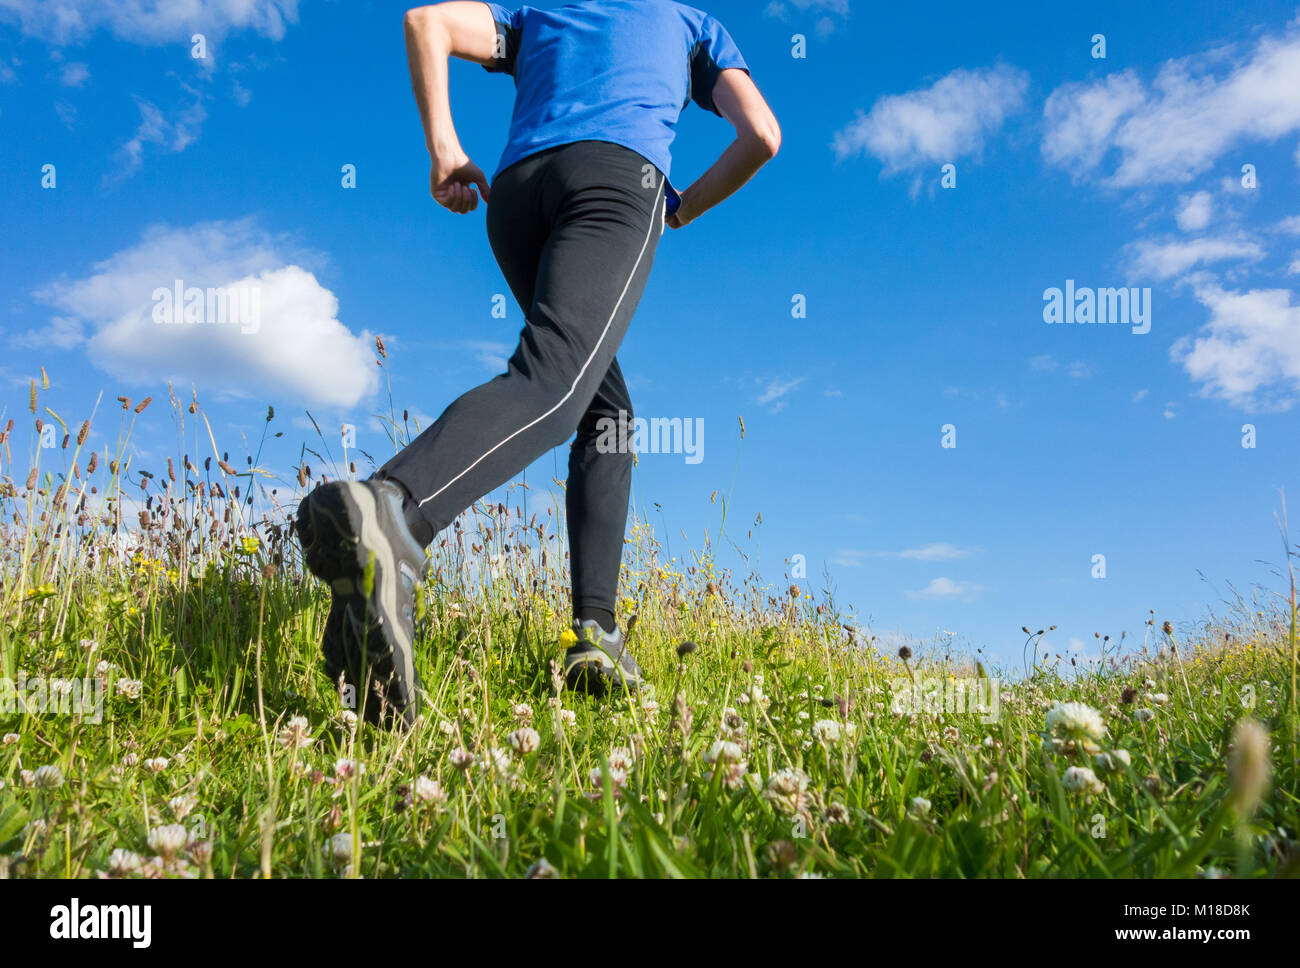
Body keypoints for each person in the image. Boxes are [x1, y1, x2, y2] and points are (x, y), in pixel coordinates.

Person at [296, 0, 780, 728]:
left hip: (518, 195)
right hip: (615, 182)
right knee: (555, 386)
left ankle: (593, 633)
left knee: (605, 413)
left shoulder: (543, 10)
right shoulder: (691, 25)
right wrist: (680, 209)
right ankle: (392, 515)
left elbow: (426, 22)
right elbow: (762, 136)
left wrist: (444, 149)